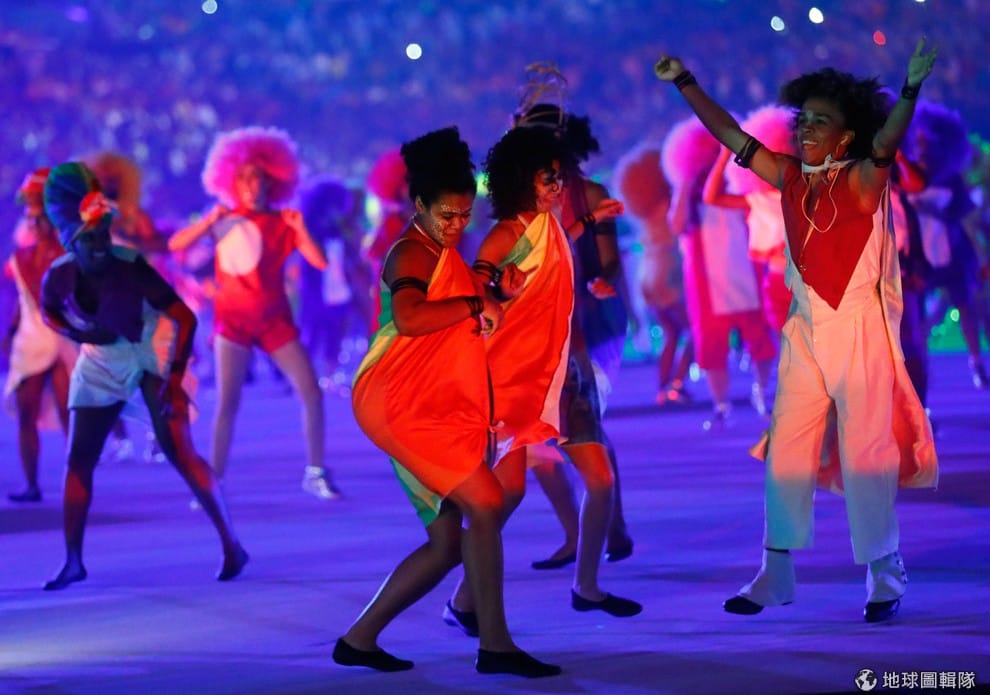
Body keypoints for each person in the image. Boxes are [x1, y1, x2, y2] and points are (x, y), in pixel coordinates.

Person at [654, 38, 939, 622]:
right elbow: (729, 133)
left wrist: (910, 89)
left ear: (847, 137)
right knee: (786, 448)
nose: (806, 128)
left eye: (821, 120)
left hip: (860, 332)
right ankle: (775, 572)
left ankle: (884, 573)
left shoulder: (864, 180)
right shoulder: (787, 178)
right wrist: (685, 81)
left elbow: (887, 143)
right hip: (805, 331)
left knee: (866, 453)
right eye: (803, 119)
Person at [337, 127, 560, 678]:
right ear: (419, 205)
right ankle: (496, 645)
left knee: (446, 545)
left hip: (428, 401)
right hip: (400, 402)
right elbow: (412, 317)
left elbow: (465, 310)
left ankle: (358, 640)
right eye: (447, 215)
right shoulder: (411, 251)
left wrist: (499, 293)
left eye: (465, 214)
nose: (457, 224)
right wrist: (475, 305)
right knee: (486, 502)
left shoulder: (443, 251)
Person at [445, 124, 639, 630]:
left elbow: (554, 248)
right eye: (547, 177)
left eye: (559, 175)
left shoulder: (549, 225)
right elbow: (476, 282)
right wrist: (498, 290)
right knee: (506, 495)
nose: (558, 185)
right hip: (518, 380)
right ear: (520, 179)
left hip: (565, 374)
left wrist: (591, 219)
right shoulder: (507, 231)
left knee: (601, 479)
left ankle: (586, 588)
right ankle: (462, 600)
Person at [39, 162, 247, 590]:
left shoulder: (130, 266)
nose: (100, 245)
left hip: (149, 355)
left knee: (180, 451)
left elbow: (185, 317)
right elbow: (50, 313)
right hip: (98, 362)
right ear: (71, 243)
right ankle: (73, 560)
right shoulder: (57, 276)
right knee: (78, 460)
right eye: (89, 239)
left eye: (103, 234)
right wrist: (77, 333)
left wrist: (173, 379)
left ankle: (232, 545)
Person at [168, 126, 339, 500]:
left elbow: (321, 262)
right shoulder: (222, 219)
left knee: (311, 391)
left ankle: (315, 473)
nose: (251, 185)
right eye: (244, 177)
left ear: (272, 182)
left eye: (258, 177)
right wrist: (206, 223)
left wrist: (300, 229)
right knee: (227, 404)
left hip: (275, 322)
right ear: (231, 182)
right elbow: (175, 245)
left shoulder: (283, 222)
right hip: (233, 324)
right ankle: (212, 485)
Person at [512, 103, 635, 567]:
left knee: (584, 425)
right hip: (540, 330)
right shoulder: (518, 198)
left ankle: (611, 525)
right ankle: (576, 533)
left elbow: (610, 260)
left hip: (592, 325)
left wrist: (603, 281)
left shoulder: (590, 193)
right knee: (535, 436)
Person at [661, 115, 777, 428]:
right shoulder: (691, 188)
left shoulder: (742, 180)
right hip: (707, 279)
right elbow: (675, 225)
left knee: (761, 337)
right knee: (710, 344)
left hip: (747, 270)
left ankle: (762, 392)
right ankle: (721, 405)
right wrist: (685, 178)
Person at [3, 167, 77, 502]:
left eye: (40, 217)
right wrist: (11, 331)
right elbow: (24, 300)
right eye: (30, 218)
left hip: (61, 337)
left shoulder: (68, 253)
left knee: (68, 412)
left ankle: (76, 481)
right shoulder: (20, 257)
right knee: (26, 413)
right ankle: (31, 484)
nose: (34, 223)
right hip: (31, 340)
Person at [613, 143, 694, 405]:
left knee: (671, 333)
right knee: (695, 331)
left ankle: (663, 388)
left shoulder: (646, 213)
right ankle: (677, 384)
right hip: (666, 272)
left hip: (647, 273)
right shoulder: (667, 204)